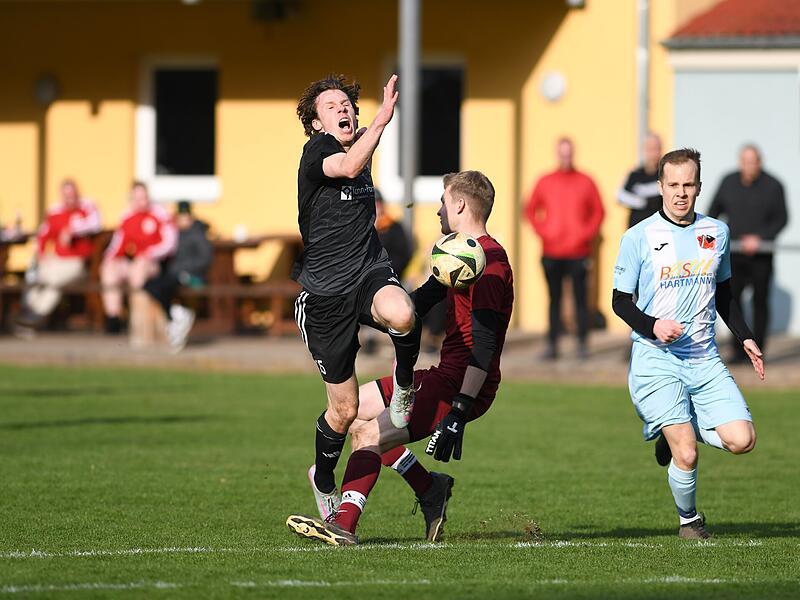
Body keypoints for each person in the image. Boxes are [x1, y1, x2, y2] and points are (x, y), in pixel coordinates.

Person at [287, 170, 514, 546]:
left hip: (461, 384)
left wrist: (458, 411)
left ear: (459, 204)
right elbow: (417, 305)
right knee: (355, 407)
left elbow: (486, 348)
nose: (438, 211)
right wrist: (352, 310)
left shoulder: (489, 264)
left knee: (366, 433)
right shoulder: (458, 254)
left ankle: (343, 523)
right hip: (446, 373)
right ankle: (429, 488)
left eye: (442, 202)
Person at [612, 148, 764, 539]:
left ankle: (678, 427)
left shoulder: (717, 232)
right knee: (687, 453)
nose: (681, 192)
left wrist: (745, 335)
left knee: (742, 440)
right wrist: (651, 325)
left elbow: (725, 293)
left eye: (689, 184)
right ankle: (689, 520)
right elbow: (619, 300)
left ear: (699, 186)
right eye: (673, 184)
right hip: (655, 358)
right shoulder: (638, 236)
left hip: (704, 358)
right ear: (661, 186)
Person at [292, 73, 422, 519]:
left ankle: (404, 384)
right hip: (325, 297)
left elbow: (360, 153)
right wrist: (383, 121)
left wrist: (376, 126)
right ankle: (323, 480)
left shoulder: (359, 143)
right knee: (344, 410)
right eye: (330, 106)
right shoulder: (317, 154)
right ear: (314, 124)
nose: (343, 109)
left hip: (368, 271)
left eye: (347, 103)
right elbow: (346, 168)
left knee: (402, 313)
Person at [525, 137, 604, 359]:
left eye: (569, 153)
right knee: (554, 299)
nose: (566, 157)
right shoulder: (545, 181)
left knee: (581, 300)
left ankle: (582, 344)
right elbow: (530, 210)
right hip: (551, 252)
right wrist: (545, 232)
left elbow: (598, 212)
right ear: (557, 154)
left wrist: (585, 235)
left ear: (573, 154)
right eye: (562, 153)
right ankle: (552, 345)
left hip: (579, 252)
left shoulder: (586, 181)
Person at [707, 144, 788, 362]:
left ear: (759, 162)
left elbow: (781, 219)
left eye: (753, 161)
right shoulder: (728, 182)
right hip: (734, 256)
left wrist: (760, 238)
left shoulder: (773, 185)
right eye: (745, 161)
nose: (749, 166)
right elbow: (713, 212)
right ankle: (737, 350)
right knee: (733, 300)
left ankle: (759, 350)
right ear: (740, 162)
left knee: (760, 302)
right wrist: (718, 238)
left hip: (761, 255)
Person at [15, 178, 102, 331]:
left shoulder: (87, 207)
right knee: (35, 275)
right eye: (66, 196)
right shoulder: (55, 212)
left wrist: (73, 229)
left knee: (53, 282)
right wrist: (41, 255)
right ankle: (28, 313)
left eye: (72, 195)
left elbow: (96, 223)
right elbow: (43, 235)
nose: (69, 199)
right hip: (56, 260)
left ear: (77, 194)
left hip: (78, 263)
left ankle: (35, 317)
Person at [100, 181, 177, 333]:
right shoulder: (127, 217)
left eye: (144, 197)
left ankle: (136, 320)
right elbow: (117, 243)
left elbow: (169, 244)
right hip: (131, 261)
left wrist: (150, 253)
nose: (141, 202)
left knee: (139, 268)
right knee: (109, 268)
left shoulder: (160, 214)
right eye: (137, 198)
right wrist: (109, 258)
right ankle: (113, 316)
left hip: (154, 264)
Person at [143, 200, 212, 352]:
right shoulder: (175, 233)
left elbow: (205, 258)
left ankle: (176, 317)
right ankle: (176, 314)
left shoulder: (198, 234)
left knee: (163, 285)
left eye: (185, 217)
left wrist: (185, 269)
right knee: (149, 285)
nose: (183, 220)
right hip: (174, 274)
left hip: (192, 276)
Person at [362, 189, 414, 354]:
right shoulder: (362, 228)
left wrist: (388, 272)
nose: (377, 207)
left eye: (378, 203)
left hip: (393, 276)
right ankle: (369, 339)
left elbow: (404, 254)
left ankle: (401, 342)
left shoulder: (394, 227)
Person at [617, 132, 663, 228]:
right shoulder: (635, 174)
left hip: (658, 228)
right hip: (636, 227)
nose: (653, 153)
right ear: (644, 150)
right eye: (650, 149)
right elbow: (620, 196)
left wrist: (640, 194)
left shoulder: (665, 173)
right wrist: (643, 202)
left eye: (656, 148)